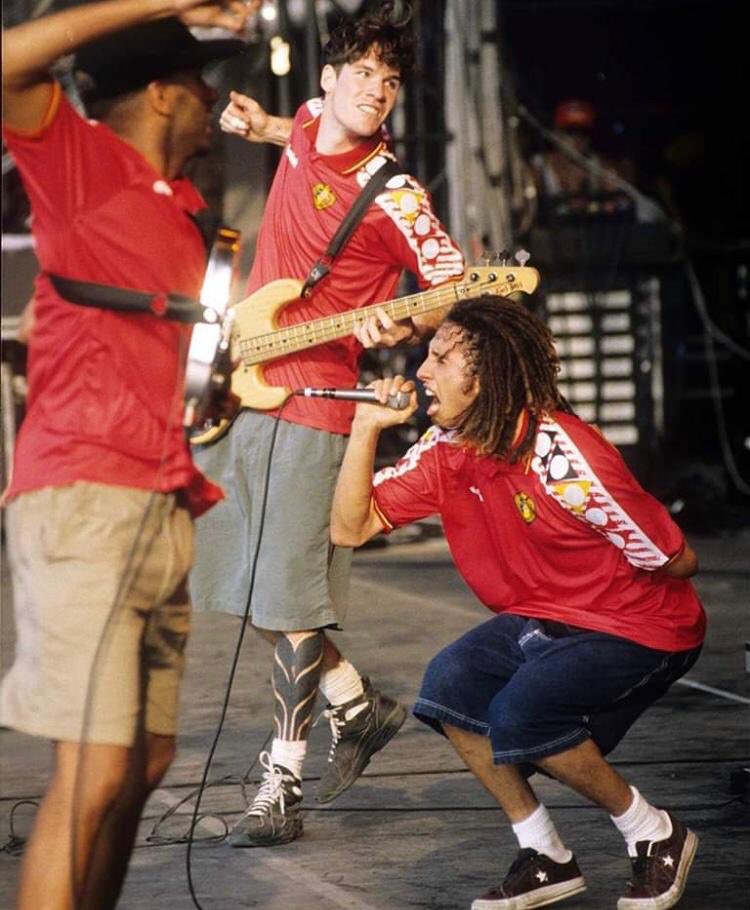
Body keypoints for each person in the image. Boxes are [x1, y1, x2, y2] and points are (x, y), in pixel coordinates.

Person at [191, 1, 465, 847]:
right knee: (248, 588)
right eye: (365, 76)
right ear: (328, 80)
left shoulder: (402, 195)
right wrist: (262, 122)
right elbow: (298, 134)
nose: (377, 92)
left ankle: (282, 781)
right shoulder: (308, 120)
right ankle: (360, 706)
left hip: (319, 404)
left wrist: (406, 324)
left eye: (391, 83)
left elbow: (450, 283)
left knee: (295, 599)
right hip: (248, 386)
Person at [330, 295, 705, 910]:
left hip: (641, 624)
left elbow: (676, 558)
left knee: (520, 714)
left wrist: (595, 573)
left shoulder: (565, 457)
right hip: (549, 616)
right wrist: (366, 429)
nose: (422, 370)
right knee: (450, 685)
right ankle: (546, 854)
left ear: (484, 379)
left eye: (441, 358)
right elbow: (351, 527)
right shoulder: (449, 445)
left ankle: (654, 833)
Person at [0, 3, 252, 907]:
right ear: (157, 93)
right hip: (87, 497)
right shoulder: (84, 164)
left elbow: (177, 370)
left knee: (142, 763)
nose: (210, 99)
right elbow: (5, 63)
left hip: (158, 501)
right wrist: (167, 3)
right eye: (196, 82)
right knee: (95, 772)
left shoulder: (183, 216)